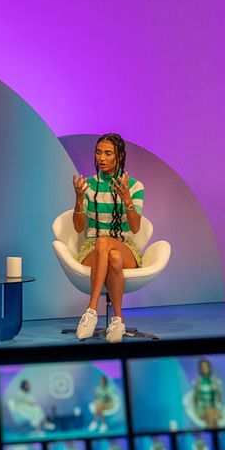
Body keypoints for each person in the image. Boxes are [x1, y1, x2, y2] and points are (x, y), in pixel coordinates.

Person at [71, 133, 145, 343]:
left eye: (108, 153)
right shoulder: (89, 185)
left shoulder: (135, 186)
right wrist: (78, 200)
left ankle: (91, 310)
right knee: (110, 254)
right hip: (92, 249)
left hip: (125, 246)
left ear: (119, 156)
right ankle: (118, 320)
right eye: (98, 152)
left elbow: (135, 227)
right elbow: (78, 228)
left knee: (108, 245)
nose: (101, 158)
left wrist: (127, 199)